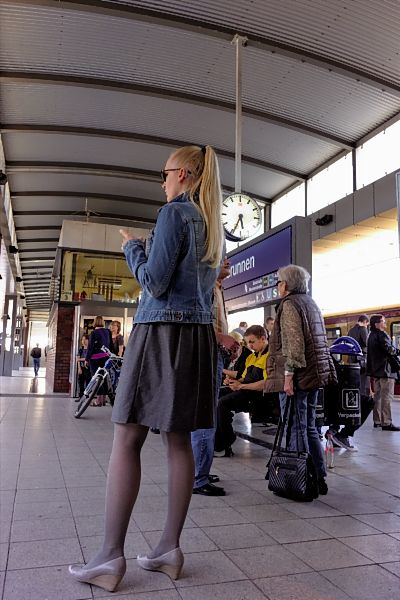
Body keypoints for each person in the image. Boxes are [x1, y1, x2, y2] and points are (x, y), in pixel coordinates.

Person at [69, 144, 223, 593]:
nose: (162, 180)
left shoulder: (175, 214)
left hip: (158, 333)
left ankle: (109, 557)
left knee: (127, 435)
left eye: (166, 172)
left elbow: (154, 282)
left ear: (187, 174)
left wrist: (133, 248)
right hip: (195, 337)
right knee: (179, 441)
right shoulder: (213, 225)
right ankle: (168, 550)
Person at [264, 264, 337, 496]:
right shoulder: (310, 303)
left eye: (278, 281)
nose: (277, 285)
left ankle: (301, 480)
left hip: (298, 376)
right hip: (314, 375)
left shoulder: (289, 305)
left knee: (295, 428)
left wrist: (288, 377)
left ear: (285, 285)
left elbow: (294, 344)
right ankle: (319, 477)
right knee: (310, 428)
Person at [191, 256, 234, 497]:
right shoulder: (206, 287)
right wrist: (222, 339)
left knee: (206, 413)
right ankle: (198, 477)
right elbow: (199, 322)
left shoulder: (216, 288)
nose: (227, 261)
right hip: (206, 355)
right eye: (221, 258)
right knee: (205, 413)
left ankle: (201, 470)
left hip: (213, 354)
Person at [214, 325, 269, 456]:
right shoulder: (252, 357)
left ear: (263, 339)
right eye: (248, 342)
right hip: (245, 390)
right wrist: (234, 382)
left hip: (258, 396)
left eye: (252, 342)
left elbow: (266, 384)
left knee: (223, 403)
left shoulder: (269, 358)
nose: (250, 346)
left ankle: (226, 439)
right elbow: (244, 378)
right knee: (217, 395)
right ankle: (218, 440)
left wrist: (241, 386)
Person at [326, 314, 370, 450]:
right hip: (340, 392)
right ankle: (342, 434)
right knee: (367, 401)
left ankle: (334, 430)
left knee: (337, 401)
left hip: (330, 393)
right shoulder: (362, 330)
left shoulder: (350, 331)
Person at [367, 314, 400, 431]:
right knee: (387, 397)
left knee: (378, 397)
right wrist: (396, 350)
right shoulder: (382, 335)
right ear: (377, 324)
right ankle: (386, 422)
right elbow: (389, 350)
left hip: (376, 372)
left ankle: (377, 421)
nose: (385, 323)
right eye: (383, 321)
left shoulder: (370, 336)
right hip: (386, 371)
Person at [86, 316, 113, 407]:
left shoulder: (93, 333)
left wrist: (87, 359)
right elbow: (111, 345)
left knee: (97, 378)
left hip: (95, 359)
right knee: (104, 378)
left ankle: (98, 400)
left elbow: (90, 348)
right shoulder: (108, 332)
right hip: (106, 357)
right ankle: (103, 400)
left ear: (95, 322)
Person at [76, 334, 91, 399]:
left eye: (85, 339)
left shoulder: (90, 349)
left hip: (88, 368)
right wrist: (79, 368)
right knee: (81, 382)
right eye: (82, 340)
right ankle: (80, 396)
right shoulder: (81, 349)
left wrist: (81, 359)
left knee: (88, 381)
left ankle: (86, 396)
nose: (84, 341)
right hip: (81, 367)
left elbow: (89, 358)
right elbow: (77, 359)